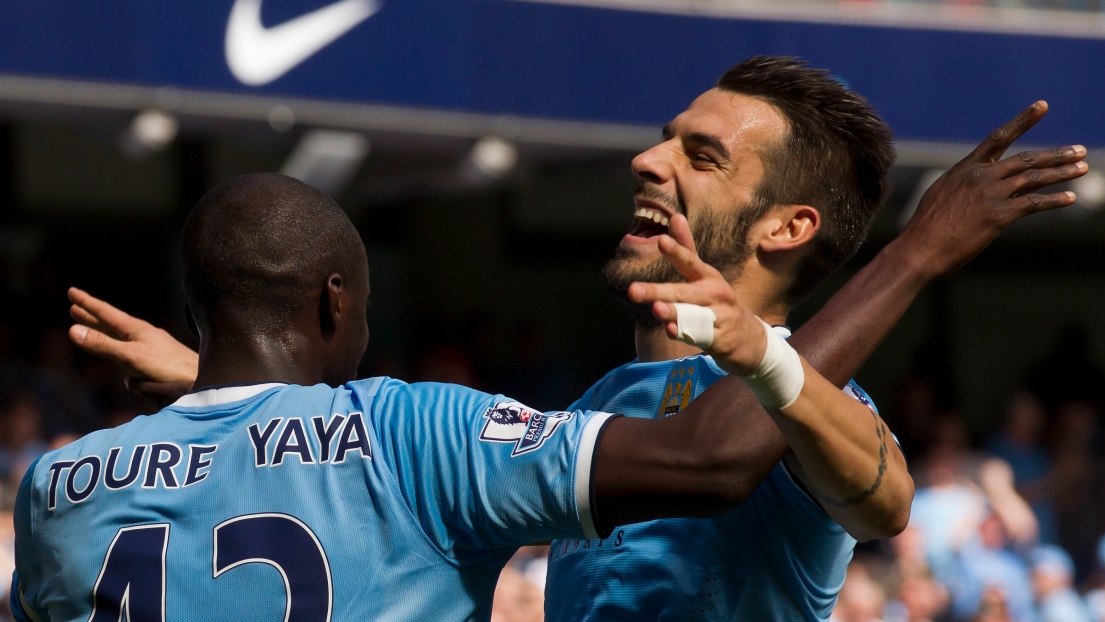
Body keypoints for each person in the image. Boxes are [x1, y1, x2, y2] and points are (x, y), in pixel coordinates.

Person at [49, 57, 1086, 621]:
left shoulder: (796, 409)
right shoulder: (586, 406)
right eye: (661, 135)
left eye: (700, 154)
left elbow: (884, 496)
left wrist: (853, 297)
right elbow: (386, 463)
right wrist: (223, 385)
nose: (646, 159)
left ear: (786, 226)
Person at [7, 172, 906, 622]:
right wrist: (919, 253)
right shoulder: (412, 430)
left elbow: (238, 449)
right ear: (334, 300)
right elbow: (710, 459)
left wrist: (210, 393)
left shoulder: (57, 486)